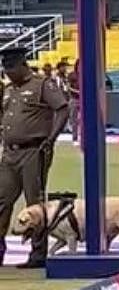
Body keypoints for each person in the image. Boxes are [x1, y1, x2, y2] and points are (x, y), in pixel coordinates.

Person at [0, 47, 70, 268]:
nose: (8, 73)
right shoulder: (9, 90)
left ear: (23, 65)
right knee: (2, 200)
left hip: (34, 150)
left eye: (12, 68)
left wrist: (51, 138)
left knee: (35, 204)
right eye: (5, 69)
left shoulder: (42, 85)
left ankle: (38, 253)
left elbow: (62, 109)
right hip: (10, 152)